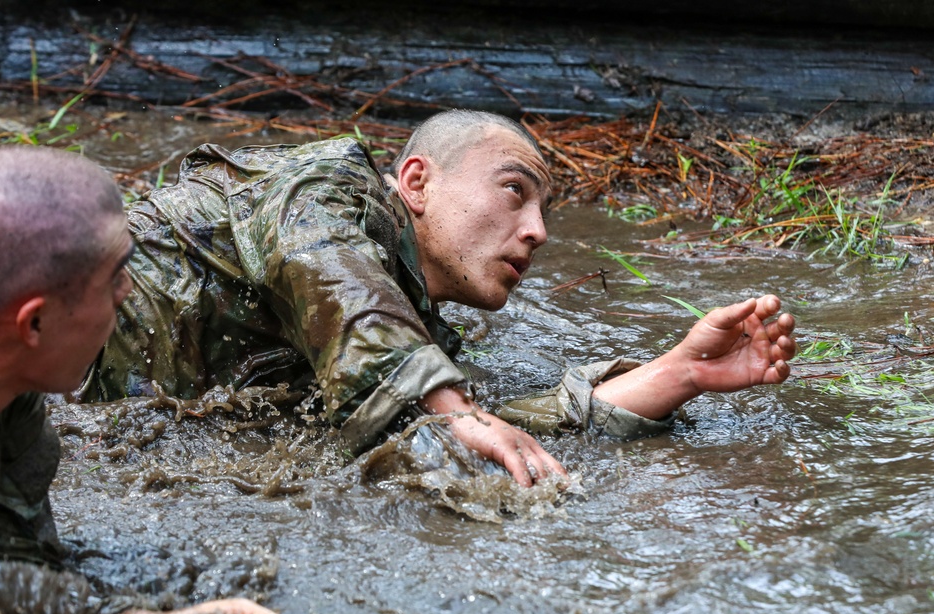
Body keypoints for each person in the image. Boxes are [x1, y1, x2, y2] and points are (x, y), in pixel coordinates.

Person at [78, 109, 797, 488]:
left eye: (544, 210)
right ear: (416, 182)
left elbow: (490, 425)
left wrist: (679, 374)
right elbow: (323, 262)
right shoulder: (325, 183)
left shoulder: (409, 337)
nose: (538, 231)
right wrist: (450, 409)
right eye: (515, 191)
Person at [0, 145, 286, 614]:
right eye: (115, 275)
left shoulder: (7, 399)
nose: (127, 292)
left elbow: (3, 569)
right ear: (33, 322)